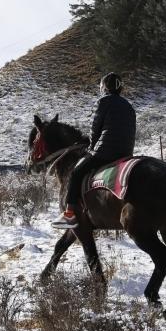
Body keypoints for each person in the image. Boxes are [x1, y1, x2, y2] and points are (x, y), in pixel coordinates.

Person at [52, 73, 136, 229]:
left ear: (104, 87)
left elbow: (95, 129)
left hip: (105, 152)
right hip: (125, 153)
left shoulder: (103, 102)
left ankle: (69, 214)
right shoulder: (129, 106)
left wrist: (91, 148)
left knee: (76, 172)